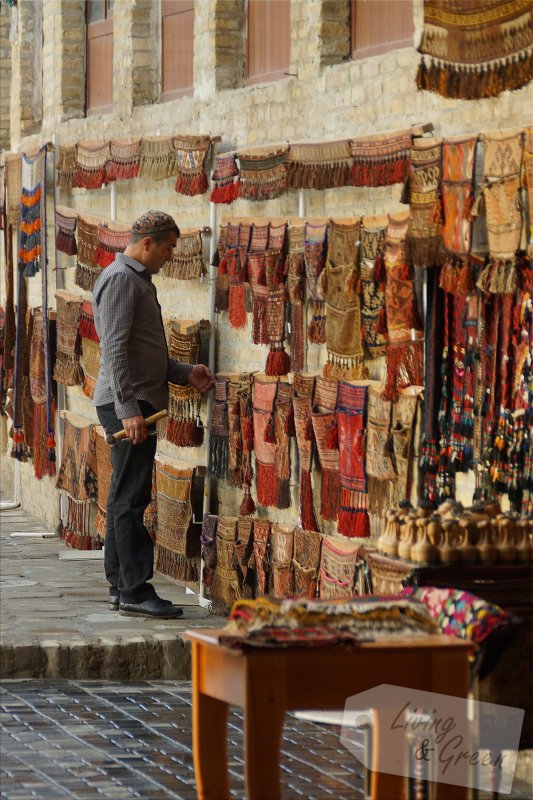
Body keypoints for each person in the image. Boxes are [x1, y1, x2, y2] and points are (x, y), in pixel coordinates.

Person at [93, 210, 214, 618]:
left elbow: (144, 350)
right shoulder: (121, 280)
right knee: (131, 497)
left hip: (134, 401)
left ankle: (119, 583)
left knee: (123, 495)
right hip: (128, 405)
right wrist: (128, 410)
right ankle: (135, 589)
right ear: (148, 243)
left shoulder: (135, 280)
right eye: (168, 248)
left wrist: (183, 372)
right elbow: (114, 350)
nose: (170, 256)